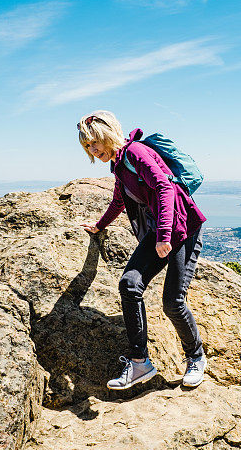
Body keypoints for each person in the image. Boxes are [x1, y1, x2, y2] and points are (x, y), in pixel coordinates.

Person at [77, 110, 207, 392]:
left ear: (108, 133)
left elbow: (164, 188)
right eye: (87, 146)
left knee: (173, 302)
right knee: (129, 284)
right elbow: (118, 201)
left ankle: (195, 357)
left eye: (94, 142)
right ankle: (140, 362)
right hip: (161, 231)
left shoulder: (135, 153)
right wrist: (99, 226)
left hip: (182, 228)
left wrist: (162, 236)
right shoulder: (120, 164)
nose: (92, 149)